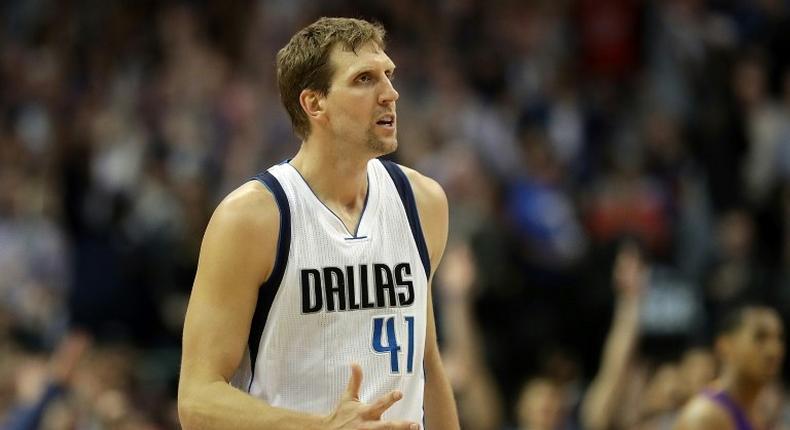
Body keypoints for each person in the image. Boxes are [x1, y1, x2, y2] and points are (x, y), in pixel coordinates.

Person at [177, 17, 460, 430]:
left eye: (388, 74)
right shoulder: (252, 219)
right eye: (365, 79)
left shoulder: (423, 202)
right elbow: (197, 400)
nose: (390, 93)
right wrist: (320, 427)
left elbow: (428, 365)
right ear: (315, 104)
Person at [674, 305, 785, 430]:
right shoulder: (704, 417)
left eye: (778, 339)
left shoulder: (758, 412)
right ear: (725, 346)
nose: (774, 350)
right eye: (760, 337)